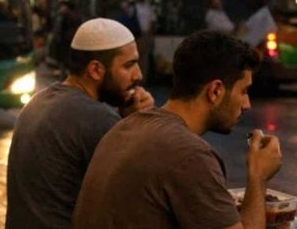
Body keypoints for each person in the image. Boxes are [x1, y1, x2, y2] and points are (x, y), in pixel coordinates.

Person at [72, 31, 281, 229]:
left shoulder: (127, 125)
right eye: (243, 91)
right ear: (215, 90)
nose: (247, 104)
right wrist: (258, 176)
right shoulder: (189, 155)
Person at [6, 18, 155, 228]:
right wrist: (140, 123)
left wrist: (124, 122)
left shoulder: (38, 100)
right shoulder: (97, 119)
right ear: (95, 70)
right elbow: (140, 192)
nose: (138, 74)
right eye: (128, 65)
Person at [134, 0, 157, 76]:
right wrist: (149, 34)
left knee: (137, 56)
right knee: (144, 57)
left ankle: (137, 77)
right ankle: (143, 77)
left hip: (137, 34)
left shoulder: (135, 8)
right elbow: (153, 21)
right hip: (146, 33)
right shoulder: (149, 7)